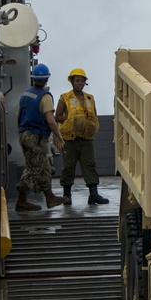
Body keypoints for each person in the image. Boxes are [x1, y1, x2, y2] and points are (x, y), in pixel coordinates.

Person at [15, 63, 66, 211]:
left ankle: (50, 197)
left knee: (43, 167)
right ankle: (21, 200)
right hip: (36, 137)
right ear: (47, 79)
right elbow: (50, 120)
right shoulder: (45, 97)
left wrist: (21, 132)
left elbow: (18, 115)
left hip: (24, 134)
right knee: (34, 168)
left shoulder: (25, 94)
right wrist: (58, 135)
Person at [54, 68, 109, 205]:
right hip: (70, 139)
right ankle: (67, 195)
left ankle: (93, 194)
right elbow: (57, 117)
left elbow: (94, 116)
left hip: (87, 140)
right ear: (71, 82)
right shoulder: (65, 98)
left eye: (82, 81)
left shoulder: (90, 98)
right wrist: (69, 119)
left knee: (90, 165)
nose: (80, 83)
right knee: (68, 166)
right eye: (77, 80)